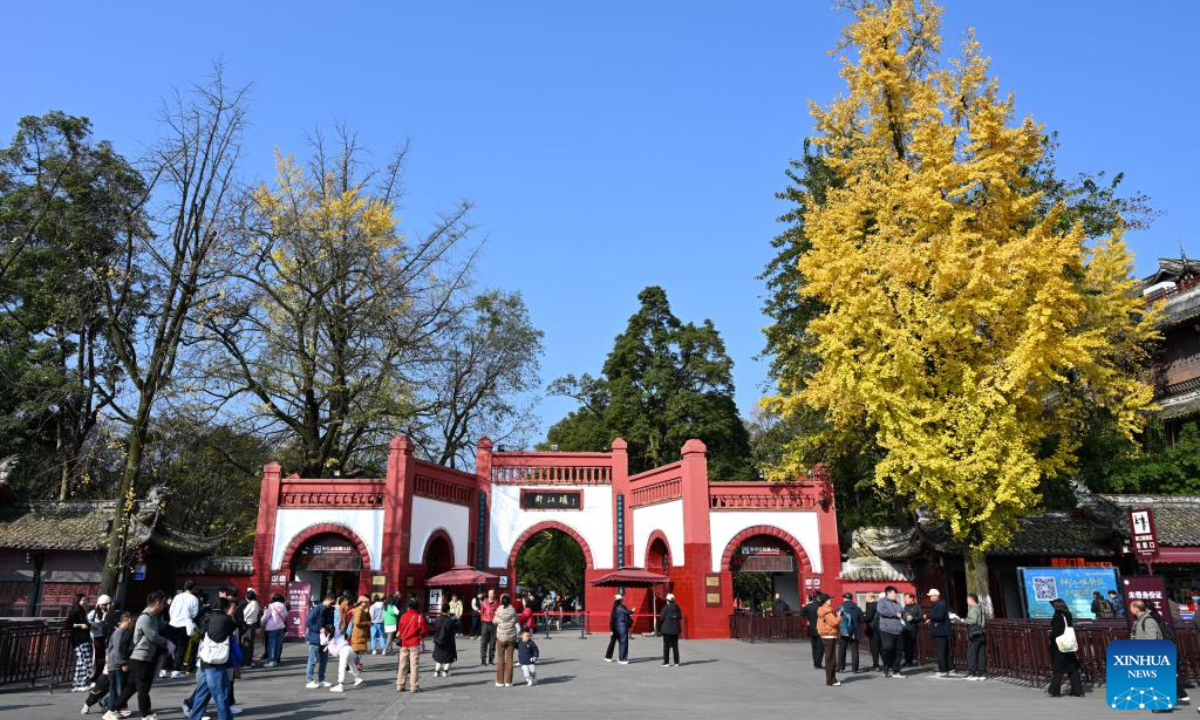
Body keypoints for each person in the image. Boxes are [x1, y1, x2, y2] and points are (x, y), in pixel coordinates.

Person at [104, 591, 168, 720]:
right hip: (140, 657)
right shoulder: (145, 617)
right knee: (143, 687)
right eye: (163, 602)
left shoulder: (153, 617)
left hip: (143, 657)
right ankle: (146, 714)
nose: (164, 605)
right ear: (157, 602)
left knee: (131, 687)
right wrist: (167, 642)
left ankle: (112, 710)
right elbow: (152, 636)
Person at [184, 596, 237, 720]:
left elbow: (202, 635)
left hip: (204, 660)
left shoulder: (207, 618)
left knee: (202, 694)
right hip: (216, 662)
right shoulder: (226, 619)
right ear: (226, 607)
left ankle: (194, 718)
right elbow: (234, 629)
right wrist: (230, 615)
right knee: (221, 695)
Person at [82, 610, 131, 716]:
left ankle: (117, 706)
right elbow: (113, 650)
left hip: (114, 664)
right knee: (101, 688)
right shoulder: (116, 632)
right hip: (112, 665)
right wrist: (121, 663)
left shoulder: (120, 632)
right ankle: (88, 704)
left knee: (118, 688)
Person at [1046, 597, 1084, 698]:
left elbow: (1058, 631)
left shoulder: (1058, 615)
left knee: (1058, 667)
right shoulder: (1068, 614)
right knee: (1072, 667)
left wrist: (1050, 636)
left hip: (1060, 644)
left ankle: (1054, 690)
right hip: (1069, 643)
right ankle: (1078, 690)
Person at [165, 581, 199, 678]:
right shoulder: (194, 599)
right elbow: (194, 613)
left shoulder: (177, 596)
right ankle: (176, 670)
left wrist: (173, 618)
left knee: (169, 647)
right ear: (193, 588)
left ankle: (164, 669)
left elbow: (171, 609)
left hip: (172, 623)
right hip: (184, 625)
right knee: (181, 648)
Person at [396, 598, 428, 694]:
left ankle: (400, 685)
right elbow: (424, 631)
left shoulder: (403, 616)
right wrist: (419, 635)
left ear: (408, 607)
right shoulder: (419, 617)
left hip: (404, 643)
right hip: (414, 643)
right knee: (414, 665)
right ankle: (413, 686)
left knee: (402, 664)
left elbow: (400, 629)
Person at [305, 594, 335, 688]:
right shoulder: (317, 609)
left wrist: (329, 630)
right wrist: (319, 629)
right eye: (331, 603)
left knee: (324, 660)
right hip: (315, 638)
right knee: (313, 660)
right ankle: (309, 680)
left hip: (324, 639)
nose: (332, 605)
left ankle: (321, 679)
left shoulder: (329, 610)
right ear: (326, 600)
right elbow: (308, 623)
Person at [876, 586, 905, 678]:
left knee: (898, 651)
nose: (896, 595)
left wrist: (907, 615)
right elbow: (881, 611)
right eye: (894, 593)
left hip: (898, 630)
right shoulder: (882, 601)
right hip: (886, 629)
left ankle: (896, 671)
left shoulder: (897, 603)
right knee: (888, 648)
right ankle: (886, 667)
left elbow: (902, 611)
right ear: (889, 593)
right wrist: (894, 614)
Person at [324, 623, 363, 693]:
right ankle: (357, 678)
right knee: (351, 664)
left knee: (342, 667)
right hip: (349, 648)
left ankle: (340, 684)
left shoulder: (329, 638)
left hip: (343, 651)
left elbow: (323, 643)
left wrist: (322, 634)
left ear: (327, 631)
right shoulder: (337, 632)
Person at [67, 593, 94, 692]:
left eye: (86, 600)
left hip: (84, 638)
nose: (85, 602)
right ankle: (81, 683)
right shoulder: (74, 611)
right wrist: (80, 625)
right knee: (84, 662)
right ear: (78, 601)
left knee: (81, 662)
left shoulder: (83, 611)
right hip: (79, 639)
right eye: (83, 600)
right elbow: (67, 624)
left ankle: (78, 683)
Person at [493, 594, 519, 687]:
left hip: (500, 638)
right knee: (510, 660)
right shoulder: (513, 611)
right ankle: (508, 682)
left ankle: (500, 682)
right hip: (511, 638)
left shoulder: (498, 611)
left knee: (500, 660)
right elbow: (516, 620)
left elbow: (494, 621)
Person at [88, 594, 114, 684]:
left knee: (103, 658)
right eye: (102, 604)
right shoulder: (93, 612)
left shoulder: (109, 612)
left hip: (105, 637)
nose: (103, 606)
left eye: (105, 604)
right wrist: (97, 625)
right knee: (97, 658)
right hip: (96, 637)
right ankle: (93, 678)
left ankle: (100, 677)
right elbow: (87, 621)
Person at [926, 588, 953, 677]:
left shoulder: (940, 604)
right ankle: (949, 668)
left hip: (940, 631)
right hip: (940, 631)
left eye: (931, 596)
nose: (930, 597)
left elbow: (940, 616)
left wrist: (928, 616)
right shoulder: (937, 604)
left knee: (941, 651)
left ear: (935, 595)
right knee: (944, 650)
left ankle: (943, 669)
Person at [816, 594, 842, 687]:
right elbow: (834, 622)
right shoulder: (827, 611)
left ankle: (830, 679)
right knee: (831, 659)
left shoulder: (822, 609)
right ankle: (831, 680)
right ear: (825, 601)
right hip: (829, 635)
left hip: (825, 634)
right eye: (829, 599)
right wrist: (839, 616)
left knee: (829, 658)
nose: (831, 600)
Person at [432, 601, 459, 677]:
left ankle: (437, 672)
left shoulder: (437, 619)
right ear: (448, 610)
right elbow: (457, 629)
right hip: (448, 642)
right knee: (448, 657)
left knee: (439, 657)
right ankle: (445, 672)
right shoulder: (451, 620)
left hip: (438, 641)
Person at [837, 592, 862, 674]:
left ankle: (841, 668)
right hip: (854, 631)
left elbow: (837, 619)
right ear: (852, 598)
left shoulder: (840, 607)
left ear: (844, 598)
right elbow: (861, 620)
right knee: (855, 650)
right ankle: (855, 669)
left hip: (844, 632)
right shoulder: (857, 608)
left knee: (842, 649)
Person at [604, 594, 633, 664]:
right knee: (619, 643)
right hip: (619, 628)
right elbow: (628, 614)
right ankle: (617, 658)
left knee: (614, 643)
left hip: (615, 628)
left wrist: (611, 629)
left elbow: (612, 619)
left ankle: (609, 657)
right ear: (621, 601)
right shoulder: (620, 607)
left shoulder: (616, 607)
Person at [964, 593, 986, 680]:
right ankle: (982, 672)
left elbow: (973, 620)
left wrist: (965, 620)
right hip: (981, 632)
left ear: (971, 599)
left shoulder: (973, 609)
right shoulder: (981, 608)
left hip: (974, 633)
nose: (967, 601)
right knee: (981, 653)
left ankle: (971, 672)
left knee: (971, 653)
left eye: (967, 599)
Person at [262, 593, 287, 667]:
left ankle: (271, 660)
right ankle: (276, 659)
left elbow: (265, 616)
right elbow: (286, 615)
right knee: (278, 644)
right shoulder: (283, 606)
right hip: (281, 627)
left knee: (272, 644)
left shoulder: (270, 606)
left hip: (272, 627)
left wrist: (262, 623)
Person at [660, 593, 683, 667]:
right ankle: (676, 662)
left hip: (666, 630)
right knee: (675, 646)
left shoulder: (665, 608)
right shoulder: (677, 607)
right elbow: (679, 617)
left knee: (666, 646)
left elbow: (661, 618)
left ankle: (666, 662)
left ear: (667, 600)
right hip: (675, 629)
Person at [478, 589, 500, 665]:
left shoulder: (497, 603)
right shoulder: (484, 602)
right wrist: (483, 620)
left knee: (492, 643)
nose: (491, 595)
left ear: (494, 595)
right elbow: (481, 612)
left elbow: (498, 613)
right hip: (485, 623)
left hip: (494, 624)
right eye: (489, 593)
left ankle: (491, 659)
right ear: (488, 594)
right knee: (483, 642)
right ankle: (483, 659)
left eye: (492, 594)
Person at [239, 590, 260, 668]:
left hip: (249, 624)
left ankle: (247, 662)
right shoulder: (256, 603)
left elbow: (244, 614)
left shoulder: (252, 604)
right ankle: (249, 661)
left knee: (246, 644)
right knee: (250, 644)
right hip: (253, 624)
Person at [801, 594, 823, 669]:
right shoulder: (821, 606)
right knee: (820, 647)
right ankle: (818, 663)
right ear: (819, 599)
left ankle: (815, 663)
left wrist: (808, 618)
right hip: (820, 628)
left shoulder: (808, 606)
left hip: (811, 628)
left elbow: (802, 614)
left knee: (814, 647)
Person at [901, 592, 922, 667]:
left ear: (911, 598)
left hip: (912, 628)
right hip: (904, 628)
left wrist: (913, 619)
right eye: (904, 598)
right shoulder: (905, 607)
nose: (905, 600)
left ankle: (910, 661)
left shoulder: (917, 607)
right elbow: (903, 615)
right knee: (905, 645)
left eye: (906, 598)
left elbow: (920, 617)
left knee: (910, 645)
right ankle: (907, 660)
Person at [863, 592, 880, 671]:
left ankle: (876, 665)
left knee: (874, 648)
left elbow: (869, 617)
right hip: (881, 628)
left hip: (873, 629)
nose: (865, 598)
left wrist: (862, 618)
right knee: (882, 647)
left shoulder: (870, 606)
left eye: (866, 597)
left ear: (871, 597)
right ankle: (888, 664)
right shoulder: (879, 605)